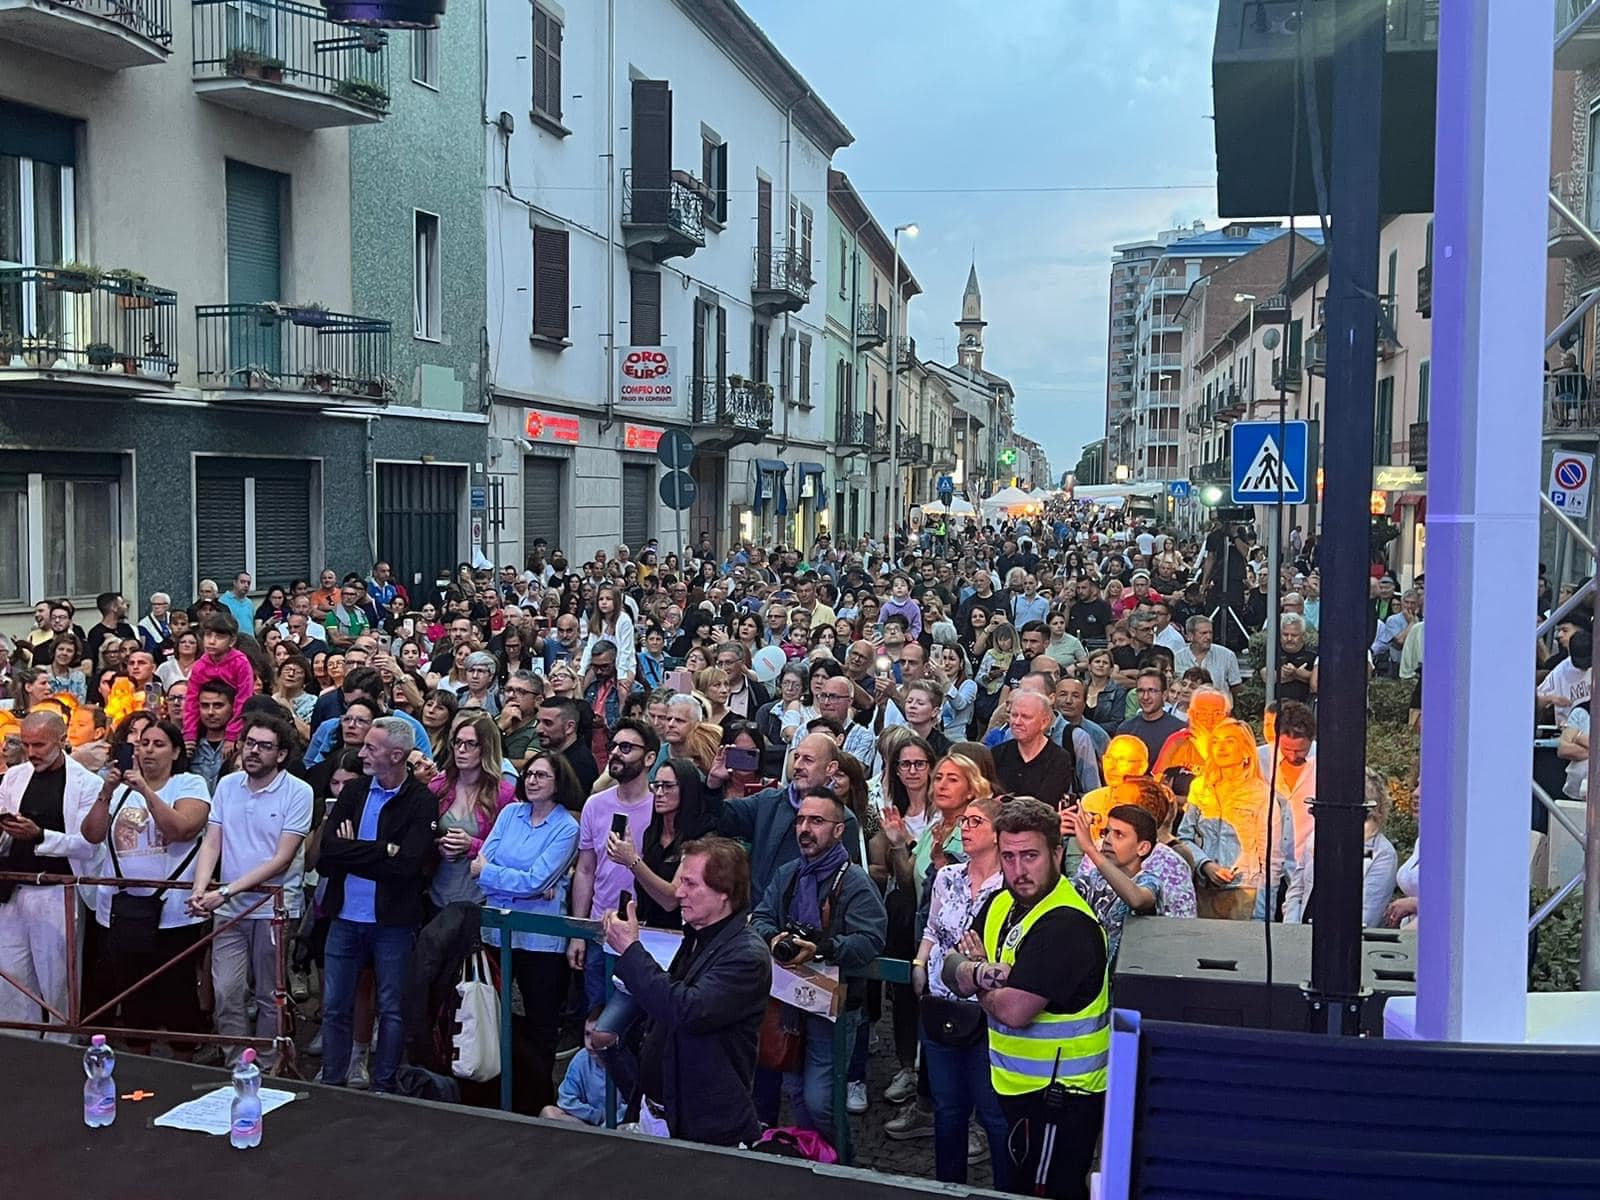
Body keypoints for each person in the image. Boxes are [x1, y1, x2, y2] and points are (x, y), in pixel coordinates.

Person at [942, 797, 1109, 1200]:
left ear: (1056, 853)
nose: (1019, 870)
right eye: (1009, 856)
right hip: (1016, 1090)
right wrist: (982, 972)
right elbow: (950, 965)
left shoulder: (1066, 923)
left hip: (1062, 1098)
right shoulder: (1002, 903)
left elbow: (1015, 1011)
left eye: (1030, 856)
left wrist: (976, 979)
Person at [602, 836, 771, 1145]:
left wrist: (630, 951)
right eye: (681, 882)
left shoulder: (746, 956)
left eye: (691, 884)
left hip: (704, 1128)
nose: (678, 892)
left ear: (724, 893)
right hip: (660, 1113)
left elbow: (686, 1010)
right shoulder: (698, 935)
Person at [751, 788, 888, 1147]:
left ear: (839, 830)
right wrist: (775, 937)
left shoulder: (855, 880)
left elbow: (872, 940)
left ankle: (841, 1166)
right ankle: (814, 1161)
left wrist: (822, 949)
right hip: (790, 1001)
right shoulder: (788, 873)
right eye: (800, 820)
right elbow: (761, 917)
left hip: (835, 1006)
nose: (805, 828)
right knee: (797, 1094)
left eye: (816, 821)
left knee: (820, 1099)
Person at [315, 717, 437, 1092]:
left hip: (393, 923)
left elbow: (407, 867)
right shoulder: (353, 793)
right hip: (344, 916)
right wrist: (382, 849)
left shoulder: (421, 801)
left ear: (396, 755)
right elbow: (328, 854)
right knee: (334, 1006)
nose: (361, 753)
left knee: (392, 1009)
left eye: (371, 748)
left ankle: (384, 1084)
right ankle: (332, 1079)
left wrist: (357, 852)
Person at [188, 712, 313, 1065]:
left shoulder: (298, 792)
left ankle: (270, 1061)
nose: (254, 751)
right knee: (226, 990)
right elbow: (212, 842)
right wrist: (200, 889)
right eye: (249, 743)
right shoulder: (227, 785)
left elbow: (282, 859)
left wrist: (224, 892)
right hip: (227, 906)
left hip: (273, 908)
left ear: (282, 754)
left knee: (269, 994)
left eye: (265, 746)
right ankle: (236, 1062)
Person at [80, 718, 211, 1049]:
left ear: (176, 751)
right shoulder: (120, 788)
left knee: (178, 994)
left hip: (174, 914)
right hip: (122, 910)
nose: (148, 750)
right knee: (133, 995)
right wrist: (106, 792)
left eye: (158, 744)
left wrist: (146, 790)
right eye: (143, 743)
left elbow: (182, 829)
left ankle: (183, 1064)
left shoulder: (189, 784)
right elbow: (91, 835)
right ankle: (140, 1065)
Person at [907, 794, 1009, 1186]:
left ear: (999, 834)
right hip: (940, 1003)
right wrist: (919, 964)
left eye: (975, 822)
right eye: (964, 822)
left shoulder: (1010, 886)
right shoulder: (947, 877)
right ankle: (946, 1187)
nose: (965, 829)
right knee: (948, 1110)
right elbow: (932, 929)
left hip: (987, 1009)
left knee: (993, 1112)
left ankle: (1007, 1189)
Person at [473, 749, 582, 1114]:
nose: (533, 781)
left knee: (541, 1023)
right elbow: (479, 863)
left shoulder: (567, 827)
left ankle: (538, 1099)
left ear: (558, 782)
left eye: (542, 776)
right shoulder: (509, 813)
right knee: (493, 1015)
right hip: (498, 932)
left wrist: (499, 876)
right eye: (530, 774)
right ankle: (496, 1092)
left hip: (541, 939)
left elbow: (537, 879)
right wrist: (518, 883)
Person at [0, 712, 104, 1039]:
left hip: (58, 891)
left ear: (62, 741)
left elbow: (89, 846)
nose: (32, 752)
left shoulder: (88, 783)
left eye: (40, 745)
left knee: (57, 982)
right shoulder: (14, 777)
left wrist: (40, 835)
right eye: (27, 744)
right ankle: (19, 1048)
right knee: (11, 979)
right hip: (13, 889)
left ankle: (61, 1050)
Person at [567, 718, 660, 1007]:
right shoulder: (595, 804)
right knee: (598, 1018)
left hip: (646, 932)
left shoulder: (661, 806)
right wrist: (579, 933)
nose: (616, 753)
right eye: (614, 746)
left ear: (649, 758)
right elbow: (585, 869)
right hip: (600, 929)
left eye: (626, 747)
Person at [718, 732, 862, 899]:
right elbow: (721, 819)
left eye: (808, 760)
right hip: (753, 913)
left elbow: (836, 885)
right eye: (796, 757)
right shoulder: (768, 800)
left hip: (801, 917)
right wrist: (714, 784)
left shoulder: (844, 819)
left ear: (830, 768)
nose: (797, 765)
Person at [1176, 718, 1271, 920]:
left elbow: (1269, 855)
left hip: (1244, 890)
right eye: (1216, 741)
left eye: (1230, 741)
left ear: (1246, 750)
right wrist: (1205, 864)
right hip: (1203, 888)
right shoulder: (1200, 787)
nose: (1221, 747)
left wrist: (1263, 911)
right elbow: (1184, 838)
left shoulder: (1261, 793)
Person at [1283, 767, 1398, 927]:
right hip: (1302, 935)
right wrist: (1293, 929)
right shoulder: (1316, 836)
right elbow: (1297, 890)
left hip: (1346, 942)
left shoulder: (1383, 854)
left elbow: (1368, 913)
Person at [429, 712, 513, 911]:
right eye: (457, 743)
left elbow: (510, 851)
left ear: (486, 748)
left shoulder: (503, 794)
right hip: (436, 893)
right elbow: (418, 835)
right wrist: (436, 844)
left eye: (470, 744)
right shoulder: (438, 786)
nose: (461, 750)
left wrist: (472, 845)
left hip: (480, 898)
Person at [182, 612, 256, 755]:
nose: (211, 641)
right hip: (207, 722)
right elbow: (191, 700)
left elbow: (244, 700)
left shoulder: (240, 663)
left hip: (236, 724)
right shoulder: (200, 666)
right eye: (208, 635)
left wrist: (232, 734)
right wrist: (190, 733)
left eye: (219, 637)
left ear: (232, 640)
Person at [993, 690, 1078, 808]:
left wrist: (1006, 801)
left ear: (1044, 722)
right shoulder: (997, 753)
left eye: (1026, 717)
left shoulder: (1059, 758)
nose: (1017, 722)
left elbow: (1045, 806)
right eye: (1014, 715)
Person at [1117, 668, 1186, 766]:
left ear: (1164, 695)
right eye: (1141, 691)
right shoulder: (1125, 729)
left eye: (1152, 691)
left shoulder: (1179, 731)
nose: (1145, 697)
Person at [537, 697, 599, 799]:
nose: (539, 730)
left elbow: (576, 812)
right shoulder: (554, 757)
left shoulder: (581, 764)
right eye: (538, 722)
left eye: (548, 723)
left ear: (569, 727)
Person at [1173, 616, 1242, 697]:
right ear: (1190, 636)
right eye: (1203, 633)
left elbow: (1236, 688)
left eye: (1210, 633)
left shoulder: (1228, 656)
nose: (1208, 637)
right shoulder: (1178, 657)